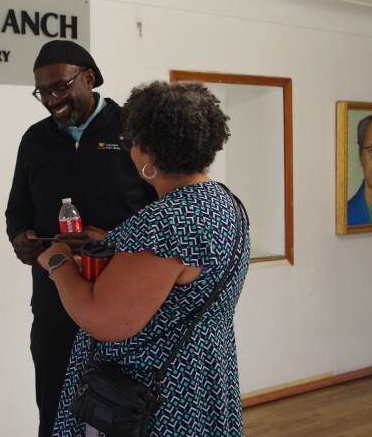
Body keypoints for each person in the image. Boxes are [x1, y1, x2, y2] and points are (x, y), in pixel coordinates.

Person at [38, 80, 250, 436]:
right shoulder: (222, 202)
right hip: (202, 378)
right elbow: (183, 275)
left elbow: (104, 320)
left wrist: (58, 263)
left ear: (148, 153)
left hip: (150, 399)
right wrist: (116, 244)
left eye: (130, 141)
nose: (129, 150)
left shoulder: (166, 222)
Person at [5, 40, 156, 437]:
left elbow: (161, 215)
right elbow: (16, 209)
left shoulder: (133, 131)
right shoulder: (35, 140)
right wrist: (20, 237)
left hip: (123, 301)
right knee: (55, 410)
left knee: (124, 415)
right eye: (42, 91)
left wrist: (112, 239)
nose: (51, 100)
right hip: (56, 303)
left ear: (88, 78)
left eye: (60, 87)